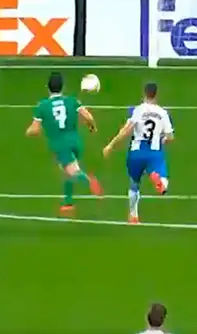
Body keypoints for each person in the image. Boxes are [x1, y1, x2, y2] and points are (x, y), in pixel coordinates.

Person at [25, 72, 104, 216]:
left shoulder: (43, 106)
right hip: (75, 141)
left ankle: (88, 181)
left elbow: (35, 130)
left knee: (71, 170)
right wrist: (92, 127)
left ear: (48, 87)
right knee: (67, 169)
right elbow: (88, 116)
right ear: (63, 87)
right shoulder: (72, 101)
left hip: (60, 144)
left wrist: (29, 131)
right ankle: (68, 202)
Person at [103, 82, 174, 225]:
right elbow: (170, 137)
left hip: (136, 152)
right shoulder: (162, 113)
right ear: (156, 94)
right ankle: (159, 181)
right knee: (164, 178)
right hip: (154, 152)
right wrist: (163, 140)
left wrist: (111, 145)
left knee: (134, 183)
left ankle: (133, 215)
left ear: (144, 94)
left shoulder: (138, 110)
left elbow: (126, 130)